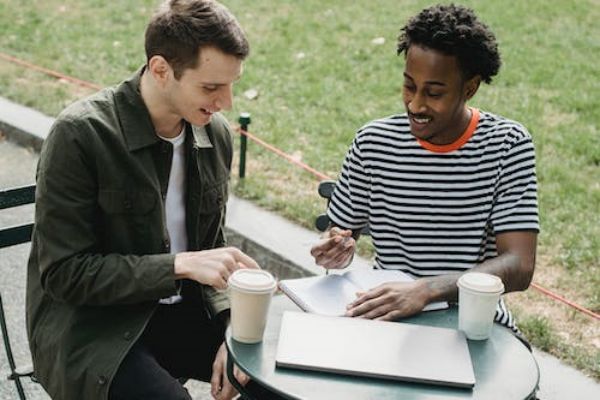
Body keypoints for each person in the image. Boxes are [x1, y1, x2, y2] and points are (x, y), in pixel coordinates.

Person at [27, 1, 258, 399]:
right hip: (91, 330)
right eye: (211, 87)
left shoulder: (214, 134)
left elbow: (210, 248)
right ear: (161, 69)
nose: (227, 102)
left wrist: (231, 328)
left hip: (181, 313)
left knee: (276, 374)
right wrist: (179, 265)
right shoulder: (80, 134)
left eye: (231, 84)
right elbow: (64, 274)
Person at [311, 4, 538, 334]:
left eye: (434, 92)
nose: (416, 104)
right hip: (387, 317)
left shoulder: (506, 145)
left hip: (472, 322)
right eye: (409, 86)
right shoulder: (373, 142)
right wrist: (335, 247)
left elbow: (520, 266)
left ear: (470, 88)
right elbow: (341, 234)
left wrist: (427, 290)